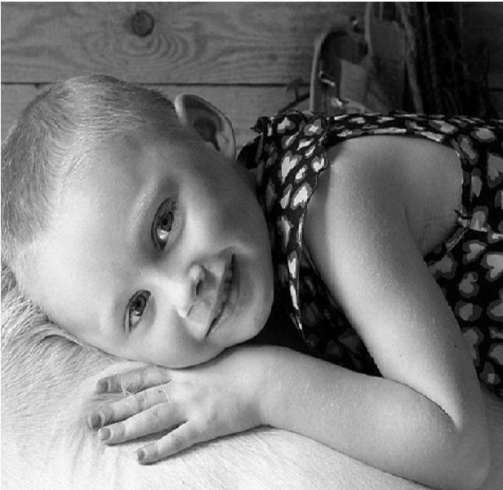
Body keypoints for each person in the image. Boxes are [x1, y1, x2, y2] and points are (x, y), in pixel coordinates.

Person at [2, 75, 502, 490]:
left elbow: (463, 450)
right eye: (137, 307)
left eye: (164, 226)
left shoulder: (333, 199)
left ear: (208, 132)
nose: (183, 293)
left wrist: (264, 386)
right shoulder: (249, 267)